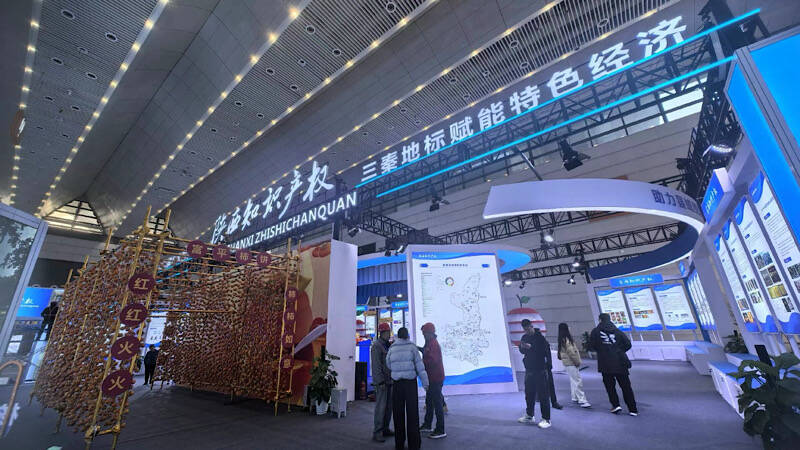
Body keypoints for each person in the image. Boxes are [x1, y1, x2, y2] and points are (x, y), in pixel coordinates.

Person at [386, 327, 429, 450]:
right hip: (410, 384)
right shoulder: (412, 347)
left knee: (398, 415)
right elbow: (420, 366)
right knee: (412, 415)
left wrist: (397, 370)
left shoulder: (392, 348)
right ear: (407, 335)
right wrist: (425, 383)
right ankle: (414, 445)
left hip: (397, 385)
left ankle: (399, 444)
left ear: (398, 336)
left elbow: (388, 364)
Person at [589, 313, 638, 416]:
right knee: (626, 386)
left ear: (600, 320)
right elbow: (628, 344)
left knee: (610, 387)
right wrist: (619, 351)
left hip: (605, 363)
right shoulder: (617, 331)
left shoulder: (595, 332)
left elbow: (592, 346)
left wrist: (602, 351)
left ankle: (616, 405)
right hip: (620, 362)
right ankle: (632, 409)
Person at [517, 319, 552, 429]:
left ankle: (546, 419)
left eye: (528, 329)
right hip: (529, 369)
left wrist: (531, 347)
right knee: (529, 394)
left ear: (531, 326)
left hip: (540, 370)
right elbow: (522, 351)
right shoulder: (524, 337)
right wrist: (522, 347)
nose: (527, 331)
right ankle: (529, 415)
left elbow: (544, 352)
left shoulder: (540, 338)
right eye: (525, 330)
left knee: (543, 395)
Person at [419, 322, 445, 439]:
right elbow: (427, 353)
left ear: (430, 333)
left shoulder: (433, 344)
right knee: (429, 401)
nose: (423, 335)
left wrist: (421, 363)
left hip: (436, 378)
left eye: (425, 333)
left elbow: (433, 361)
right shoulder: (429, 343)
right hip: (432, 378)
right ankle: (427, 424)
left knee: (437, 404)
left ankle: (440, 429)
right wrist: (420, 349)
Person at [557, 323, 591, 408]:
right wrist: (577, 362)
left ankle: (575, 397)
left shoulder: (562, 339)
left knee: (573, 380)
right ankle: (582, 400)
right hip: (571, 362)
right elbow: (572, 352)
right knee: (577, 381)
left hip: (567, 363)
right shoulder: (567, 339)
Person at [371, 322, 394, 442]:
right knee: (381, 407)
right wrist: (380, 381)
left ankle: (385, 428)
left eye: (389, 332)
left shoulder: (387, 345)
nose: (388, 334)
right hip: (382, 383)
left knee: (388, 407)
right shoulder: (377, 346)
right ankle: (377, 432)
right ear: (382, 333)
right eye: (386, 332)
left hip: (389, 381)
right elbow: (376, 366)